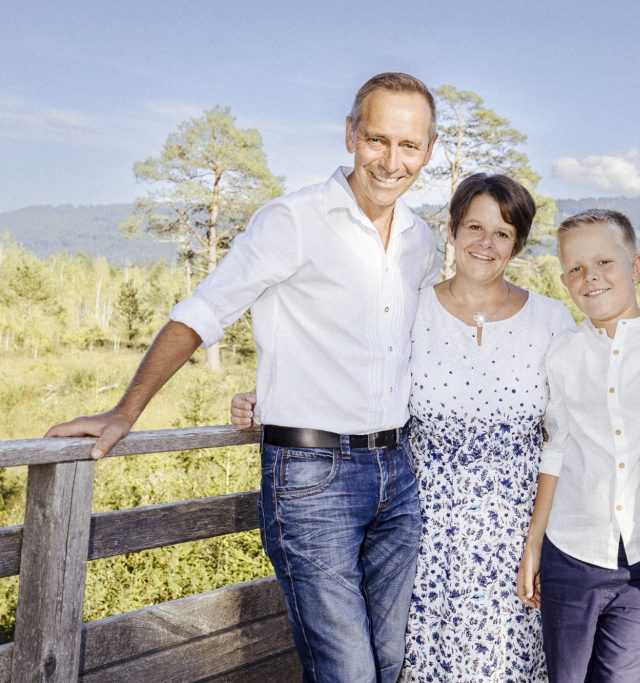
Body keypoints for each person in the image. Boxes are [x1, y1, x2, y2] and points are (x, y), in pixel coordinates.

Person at [46, 72, 440, 683]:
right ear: (350, 135)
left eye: (409, 145)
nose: (391, 161)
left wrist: (278, 386)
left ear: (429, 150)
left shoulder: (421, 241)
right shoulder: (293, 219)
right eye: (377, 139)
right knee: (349, 674)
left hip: (399, 472)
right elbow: (204, 312)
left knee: (391, 665)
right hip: (312, 477)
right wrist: (126, 410)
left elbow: (414, 347)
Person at [232, 173, 575, 682]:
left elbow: (564, 438)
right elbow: (350, 367)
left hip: (514, 537)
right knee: (408, 661)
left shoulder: (550, 320)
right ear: (451, 231)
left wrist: (537, 543)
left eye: (502, 233)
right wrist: (271, 395)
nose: (486, 242)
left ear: (517, 244)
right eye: (474, 227)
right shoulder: (413, 308)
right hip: (419, 532)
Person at [516, 209, 640, 683]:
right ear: (565, 281)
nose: (591, 277)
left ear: (636, 266)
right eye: (576, 268)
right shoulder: (563, 352)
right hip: (570, 552)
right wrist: (535, 544)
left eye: (605, 262)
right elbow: (557, 448)